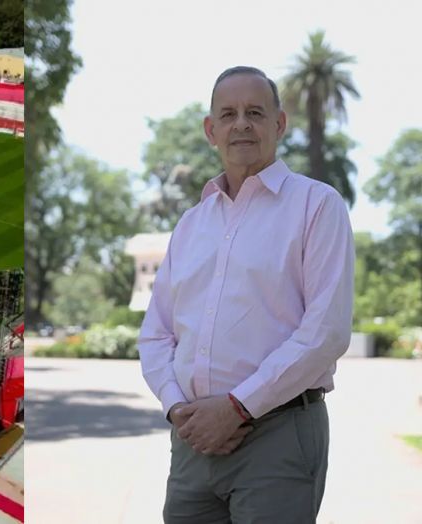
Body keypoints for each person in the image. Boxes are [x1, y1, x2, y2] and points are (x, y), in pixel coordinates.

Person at [137, 66, 354, 523]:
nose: (241, 124)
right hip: (193, 440)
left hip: (278, 435)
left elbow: (326, 332)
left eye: (255, 112)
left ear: (279, 124)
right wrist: (177, 408)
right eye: (228, 114)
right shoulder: (191, 224)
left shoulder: (317, 205)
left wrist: (237, 407)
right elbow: (156, 334)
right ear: (210, 130)